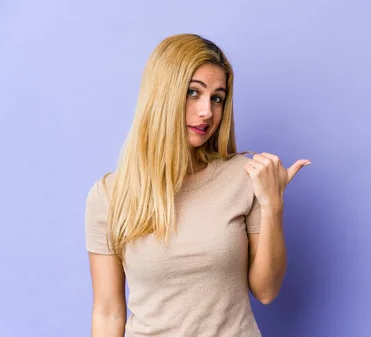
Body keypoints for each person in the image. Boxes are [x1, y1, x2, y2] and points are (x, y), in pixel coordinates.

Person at [84, 33, 311, 337]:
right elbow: (108, 312)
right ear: (163, 94)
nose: (207, 112)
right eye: (193, 92)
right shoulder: (109, 196)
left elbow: (267, 291)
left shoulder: (244, 177)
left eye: (217, 98)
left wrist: (273, 205)